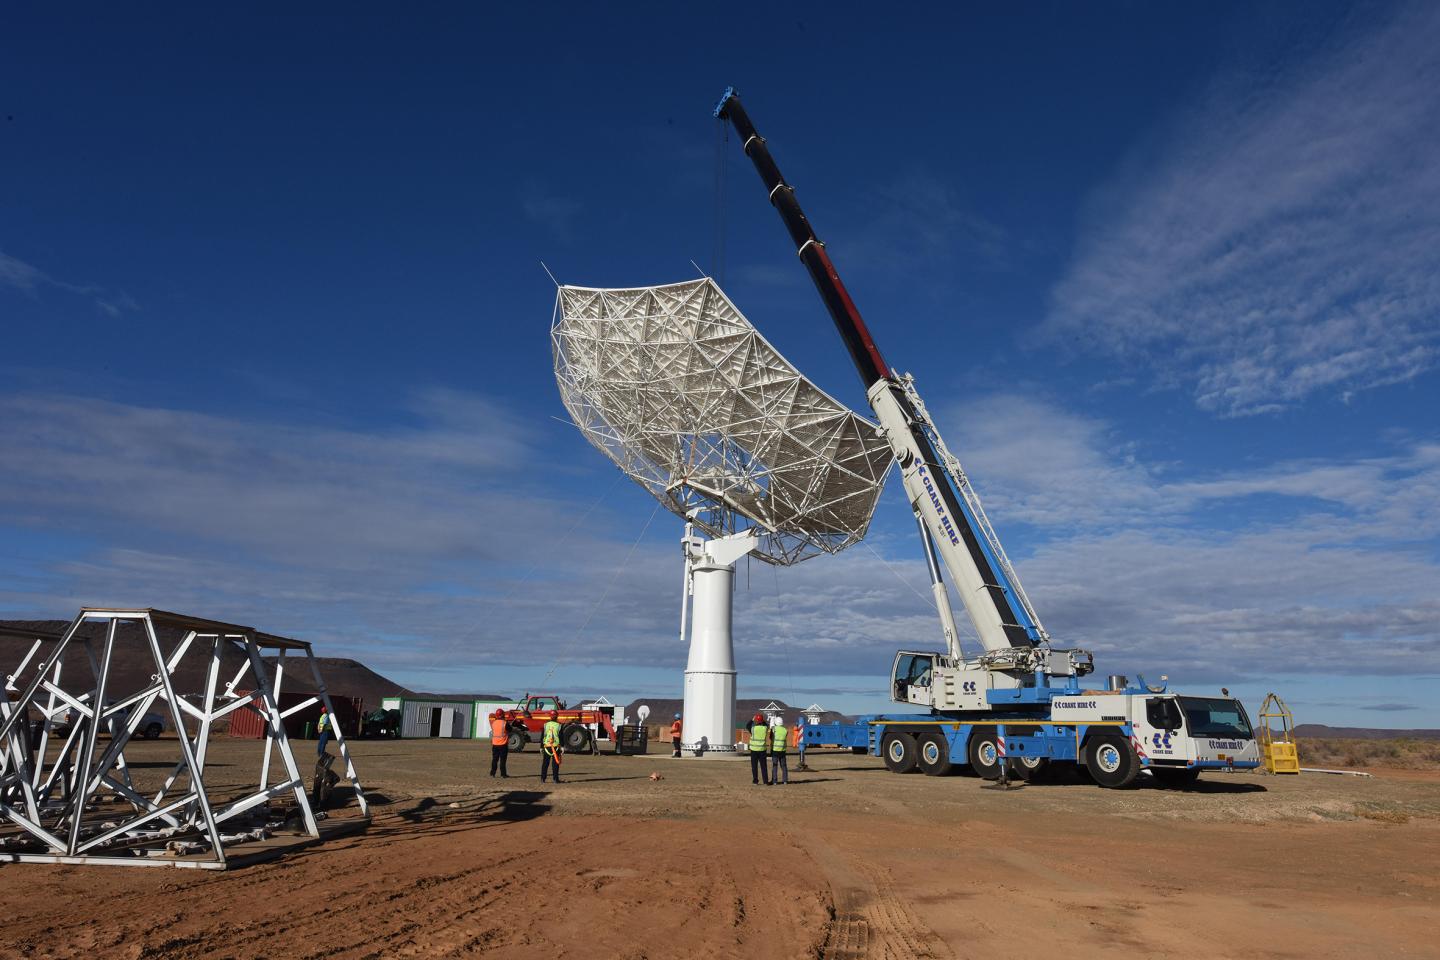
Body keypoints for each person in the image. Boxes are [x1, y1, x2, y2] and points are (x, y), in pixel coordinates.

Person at [540, 709, 563, 784]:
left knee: (545, 763)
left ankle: (543, 779)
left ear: (550, 716)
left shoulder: (546, 725)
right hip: (556, 747)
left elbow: (543, 736)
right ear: (557, 716)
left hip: (547, 746)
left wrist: (541, 747)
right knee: (555, 764)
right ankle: (555, 779)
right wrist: (562, 747)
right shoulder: (559, 725)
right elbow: (561, 737)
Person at [748, 713, 771, 785]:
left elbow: (747, 726)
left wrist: (752, 720)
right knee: (763, 766)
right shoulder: (765, 728)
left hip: (754, 750)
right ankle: (765, 781)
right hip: (762, 750)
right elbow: (767, 725)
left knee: (754, 766)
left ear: (756, 721)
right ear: (762, 721)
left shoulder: (753, 729)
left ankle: (755, 781)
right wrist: (762, 721)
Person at [489, 709, 510, 778]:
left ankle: (492, 773)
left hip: (495, 744)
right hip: (503, 744)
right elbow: (510, 729)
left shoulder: (494, 723)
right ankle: (503, 774)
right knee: (502, 761)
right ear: (502, 715)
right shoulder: (505, 723)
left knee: (494, 760)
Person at [769, 715, 789, 785]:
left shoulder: (773, 729)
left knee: (775, 765)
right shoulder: (785, 730)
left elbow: (771, 738)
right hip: (782, 750)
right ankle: (785, 780)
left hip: (775, 750)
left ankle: (774, 781)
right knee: (783, 766)